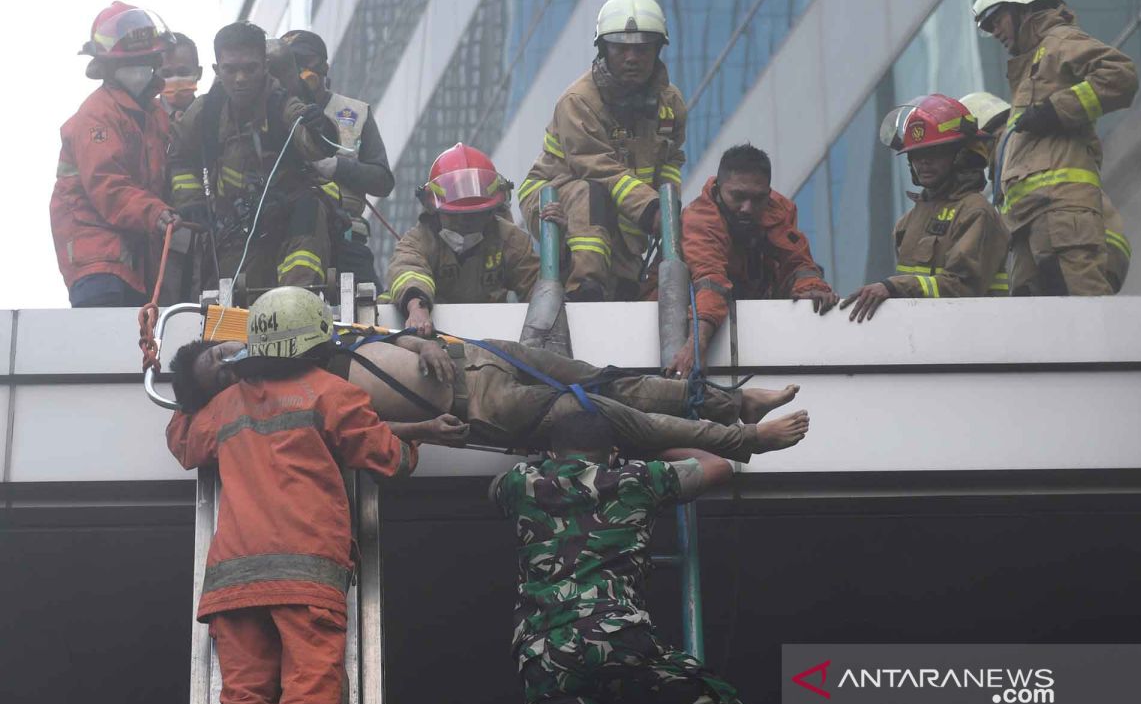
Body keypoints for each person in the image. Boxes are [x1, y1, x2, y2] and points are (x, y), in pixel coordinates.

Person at [164, 288, 434, 704]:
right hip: (307, 578)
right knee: (311, 694)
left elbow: (181, 442)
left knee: (243, 700)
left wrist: (192, 395)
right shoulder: (332, 393)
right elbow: (392, 459)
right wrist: (419, 433)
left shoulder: (221, 407)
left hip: (233, 586)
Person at [172, 288, 810, 464]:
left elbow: (375, 338)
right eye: (216, 364)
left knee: (611, 379)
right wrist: (424, 425)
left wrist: (414, 340)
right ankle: (745, 438)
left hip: (480, 353)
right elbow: (366, 431)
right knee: (615, 416)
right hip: (484, 405)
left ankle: (734, 403)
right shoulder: (294, 395)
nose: (227, 359)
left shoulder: (300, 337)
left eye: (221, 351)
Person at [491, 412, 758, 704]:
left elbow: (495, 488)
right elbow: (718, 466)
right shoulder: (638, 478)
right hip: (616, 640)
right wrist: (652, 450)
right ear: (613, 453)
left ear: (552, 453)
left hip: (546, 657)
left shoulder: (520, 483)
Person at [972, 0, 1138, 296]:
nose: (994, 32)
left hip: (1061, 210)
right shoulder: (1028, 70)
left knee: (1083, 310)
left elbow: (1121, 75)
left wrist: (1057, 109)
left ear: (1022, 6)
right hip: (1026, 223)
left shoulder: (1058, 42)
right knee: (1038, 327)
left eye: (996, 20)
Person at [519, 0, 686, 302]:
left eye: (642, 49)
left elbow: (671, 162)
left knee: (623, 213)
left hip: (624, 198)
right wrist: (653, 209)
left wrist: (668, 207)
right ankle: (585, 288)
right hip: (553, 191)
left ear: (658, 50)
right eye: (621, 48)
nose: (632, 58)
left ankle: (622, 286)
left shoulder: (671, 104)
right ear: (603, 50)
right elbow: (596, 167)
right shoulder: (579, 101)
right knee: (591, 195)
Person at [169, 21, 337, 290]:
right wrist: (191, 201)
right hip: (230, 228)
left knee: (310, 210)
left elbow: (314, 144)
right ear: (216, 70)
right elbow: (178, 156)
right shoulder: (206, 112)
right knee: (229, 301)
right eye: (230, 69)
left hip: (288, 221)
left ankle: (298, 298)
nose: (240, 79)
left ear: (265, 67)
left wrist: (320, 129)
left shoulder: (280, 103)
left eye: (250, 68)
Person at [50, 1, 180, 308]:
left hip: (132, 261)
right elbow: (107, 184)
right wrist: (156, 213)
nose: (140, 69)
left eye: (145, 60)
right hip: (96, 261)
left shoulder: (153, 116)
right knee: (104, 344)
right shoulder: (97, 115)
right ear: (107, 66)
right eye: (130, 62)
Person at [839, 95, 1010, 322]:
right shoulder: (909, 221)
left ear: (959, 156)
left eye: (934, 153)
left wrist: (892, 286)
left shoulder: (976, 212)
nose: (923, 163)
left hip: (975, 334)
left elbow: (963, 287)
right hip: (925, 335)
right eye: (917, 155)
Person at [669, 143, 835, 376]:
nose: (747, 208)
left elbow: (797, 264)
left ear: (768, 193)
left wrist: (813, 289)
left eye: (757, 199)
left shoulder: (778, 210)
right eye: (737, 196)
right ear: (718, 188)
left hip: (756, 324)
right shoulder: (701, 219)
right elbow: (710, 282)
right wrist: (696, 345)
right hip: (694, 317)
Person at [960, 90, 1132, 293]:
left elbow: (1031, 210)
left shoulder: (1012, 144)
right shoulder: (1023, 141)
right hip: (1099, 242)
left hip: (1073, 244)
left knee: (1084, 315)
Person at [385, 143, 545, 335]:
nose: (465, 222)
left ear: (492, 210)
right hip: (432, 337)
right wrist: (417, 308)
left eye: (475, 213)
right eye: (454, 215)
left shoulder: (510, 239)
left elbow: (538, 286)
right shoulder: (418, 241)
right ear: (434, 210)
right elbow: (408, 269)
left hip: (495, 336)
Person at [281, 29, 396, 289]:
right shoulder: (274, 110)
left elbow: (382, 181)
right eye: (291, 65)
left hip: (345, 234)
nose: (298, 73)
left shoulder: (354, 113)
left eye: (304, 63)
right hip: (288, 235)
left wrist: (337, 167)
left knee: (370, 305)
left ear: (323, 67)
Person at [159, 32, 202, 122]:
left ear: (199, 73)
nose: (175, 80)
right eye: (166, 74)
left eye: (183, 72)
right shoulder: (145, 118)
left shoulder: (213, 115)